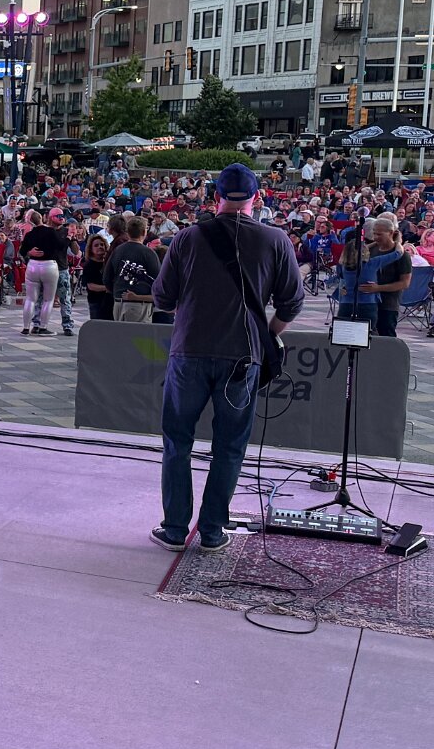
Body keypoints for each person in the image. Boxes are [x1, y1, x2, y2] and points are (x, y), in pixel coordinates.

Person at [151, 163, 304, 553]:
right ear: (258, 198)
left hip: (189, 353)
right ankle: (213, 530)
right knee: (230, 446)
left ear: (215, 197)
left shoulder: (186, 238)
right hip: (242, 357)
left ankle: (174, 529)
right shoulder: (276, 240)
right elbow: (292, 302)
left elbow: (163, 298)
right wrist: (268, 335)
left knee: (177, 441)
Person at [19, 213, 67, 336]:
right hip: (49, 265)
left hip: (33, 265)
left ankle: (25, 327)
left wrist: (29, 252)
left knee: (30, 299)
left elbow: (22, 251)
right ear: (42, 218)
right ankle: (43, 327)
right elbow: (61, 246)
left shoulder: (29, 234)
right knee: (48, 300)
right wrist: (69, 237)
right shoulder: (51, 232)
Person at [107, 214, 159, 323]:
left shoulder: (117, 250)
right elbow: (159, 279)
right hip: (139, 304)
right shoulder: (148, 253)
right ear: (144, 232)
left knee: (120, 333)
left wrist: (117, 290)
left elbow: (107, 277)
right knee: (139, 334)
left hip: (118, 302)